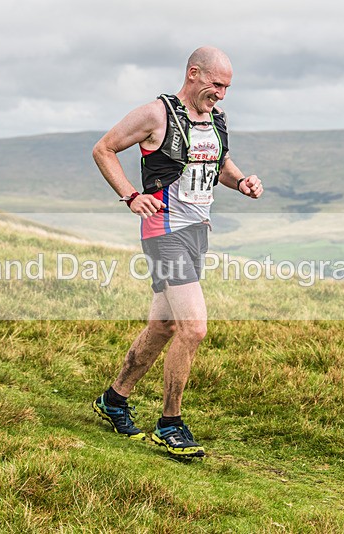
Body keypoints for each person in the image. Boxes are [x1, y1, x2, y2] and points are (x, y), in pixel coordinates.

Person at [91, 46, 263, 458]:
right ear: (194, 73)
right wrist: (131, 196)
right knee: (194, 327)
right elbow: (104, 148)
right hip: (163, 229)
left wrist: (241, 182)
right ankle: (170, 424)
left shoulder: (215, 120)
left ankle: (114, 399)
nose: (221, 94)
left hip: (197, 231)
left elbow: (217, 164)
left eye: (227, 87)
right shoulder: (156, 114)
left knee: (164, 326)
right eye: (216, 84)